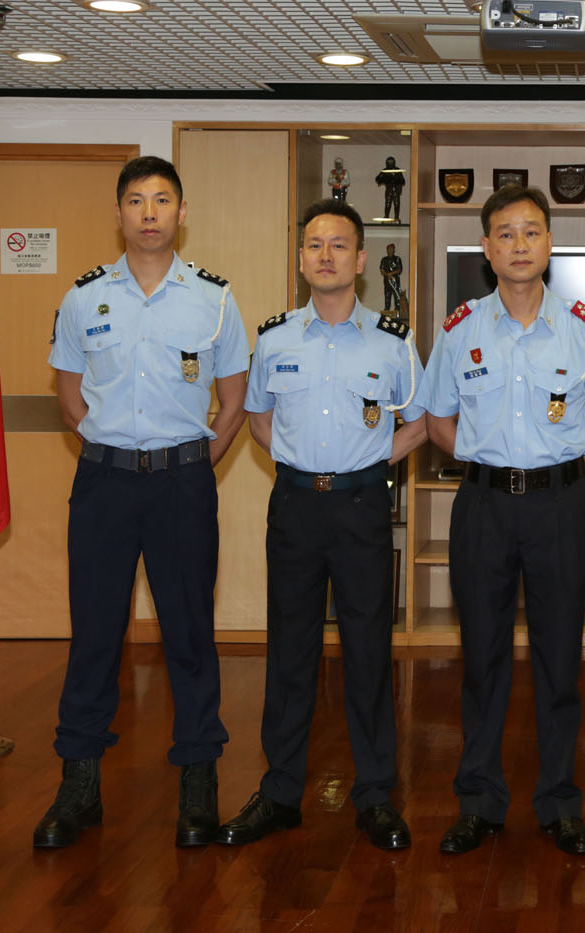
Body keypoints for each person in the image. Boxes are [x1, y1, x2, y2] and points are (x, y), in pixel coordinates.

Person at [36, 155, 249, 849]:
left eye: (161, 200)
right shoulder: (83, 298)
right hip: (104, 485)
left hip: (182, 486)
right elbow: (70, 395)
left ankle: (198, 784)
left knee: (189, 637)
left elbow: (234, 400)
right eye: (135, 200)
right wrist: (115, 451)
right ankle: (79, 787)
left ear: (182, 213)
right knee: (95, 634)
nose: (149, 213)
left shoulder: (215, 300)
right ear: (119, 213)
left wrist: (192, 464)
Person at [421, 184, 585, 856]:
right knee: (481, 658)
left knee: (559, 658)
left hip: (559, 507)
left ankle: (559, 803)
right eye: (506, 234)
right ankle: (479, 802)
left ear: (550, 243)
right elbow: (437, 419)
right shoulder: (460, 329)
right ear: (486, 250)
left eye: (532, 231)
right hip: (483, 507)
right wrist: (486, 462)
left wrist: (566, 460)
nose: (520, 244)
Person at [217, 199, 427, 851]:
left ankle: (375, 795)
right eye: (314, 244)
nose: (326, 255)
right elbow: (256, 416)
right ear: (302, 258)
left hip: (362, 508)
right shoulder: (275, 338)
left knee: (368, 651)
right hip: (296, 507)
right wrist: (296, 461)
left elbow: (420, 420)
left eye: (339, 245)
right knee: (290, 649)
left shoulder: (392, 340)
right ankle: (280, 792)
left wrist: (371, 462)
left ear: (361, 260)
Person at [376, 156, 405, 222]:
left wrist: (396, 181)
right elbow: (378, 179)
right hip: (389, 188)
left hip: (396, 189)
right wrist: (383, 179)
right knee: (388, 203)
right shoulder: (385, 171)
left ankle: (396, 217)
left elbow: (402, 181)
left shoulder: (397, 170)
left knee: (396, 203)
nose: (390, 164)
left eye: (391, 162)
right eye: (389, 162)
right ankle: (386, 216)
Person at [380, 243, 404, 313]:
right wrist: (387, 274)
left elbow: (399, 269)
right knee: (387, 295)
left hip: (395, 280)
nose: (390, 250)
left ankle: (397, 308)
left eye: (391, 249)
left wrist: (392, 274)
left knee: (396, 294)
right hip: (387, 280)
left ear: (394, 250)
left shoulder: (397, 259)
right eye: (388, 249)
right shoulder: (384, 259)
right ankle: (387, 309)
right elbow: (381, 269)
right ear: (387, 250)